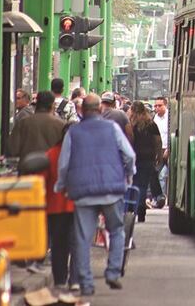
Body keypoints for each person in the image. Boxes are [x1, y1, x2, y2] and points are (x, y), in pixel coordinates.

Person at [55, 93, 136, 295]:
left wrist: (61, 185)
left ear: (82, 110)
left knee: (83, 237)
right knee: (116, 230)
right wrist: (128, 174)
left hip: (83, 192)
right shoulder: (113, 129)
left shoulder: (73, 132)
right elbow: (129, 155)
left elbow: (63, 164)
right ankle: (113, 272)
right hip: (111, 190)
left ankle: (86, 284)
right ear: (100, 109)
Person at [44, 138, 75, 296]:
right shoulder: (80, 153)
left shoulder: (51, 153)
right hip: (77, 205)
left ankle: (60, 279)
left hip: (54, 207)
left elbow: (43, 179)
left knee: (58, 245)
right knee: (76, 243)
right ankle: (75, 279)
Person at [5, 91, 67, 159]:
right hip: (52, 167)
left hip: (27, 166)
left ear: (36, 103)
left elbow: (12, 149)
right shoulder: (61, 124)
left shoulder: (24, 123)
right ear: (53, 105)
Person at [127, 102, 162, 223]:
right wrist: (159, 156)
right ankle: (141, 209)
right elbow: (158, 141)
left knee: (133, 183)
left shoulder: (130, 124)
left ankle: (132, 208)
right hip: (148, 158)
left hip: (134, 157)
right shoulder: (151, 124)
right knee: (142, 185)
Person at [148, 96, 170, 209]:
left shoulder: (170, 118)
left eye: (160, 105)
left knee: (167, 175)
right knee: (158, 175)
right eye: (155, 105)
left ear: (165, 105)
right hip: (158, 151)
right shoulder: (153, 119)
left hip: (169, 149)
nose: (157, 108)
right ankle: (160, 198)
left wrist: (169, 149)